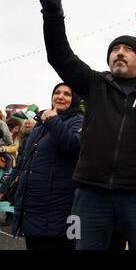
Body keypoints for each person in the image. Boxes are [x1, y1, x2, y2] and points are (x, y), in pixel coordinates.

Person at [32, 0, 136, 250]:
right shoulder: (94, 84)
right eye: (115, 50)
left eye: (128, 50)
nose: (120, 53)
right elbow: (60, 56)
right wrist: (53, 13)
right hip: (90, 192)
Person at [0, 83, 83, 250]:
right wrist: (4, 187)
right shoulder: (40, 123)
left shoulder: (79, 121)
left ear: (74, 100)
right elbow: (23, 160)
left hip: (60, 207)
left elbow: (73, 144)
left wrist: (53, 119)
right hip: (32, 205)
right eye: (57, 92)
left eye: (67, 94)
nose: (60, 96)